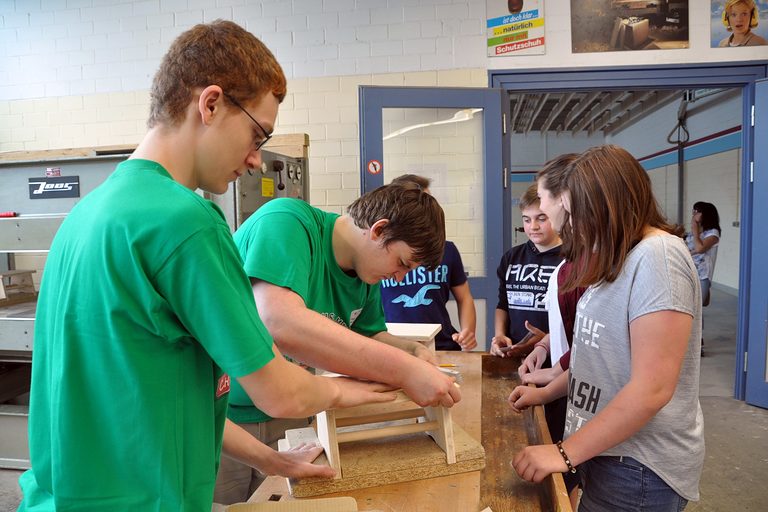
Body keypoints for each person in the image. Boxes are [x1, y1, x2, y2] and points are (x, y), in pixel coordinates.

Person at [18, 20, 398, 511]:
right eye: (257, 134)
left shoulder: (88, 214)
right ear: (211, 103)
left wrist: (274, 460)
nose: (257, 161)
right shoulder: (186, 221)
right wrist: (374, 385)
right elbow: (280, 394)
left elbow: (161, 396)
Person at [217, 182, 462, 503]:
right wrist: (405, 371)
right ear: (379, 230)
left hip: (291, 414)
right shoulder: (288, 222)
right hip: (223, 419)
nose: (400, 277)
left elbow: (369, 336)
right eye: (402, 263)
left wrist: (414, 352)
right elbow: (278, 321)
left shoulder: (366, 275)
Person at [509, 145, 704, 510]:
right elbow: (600, 359)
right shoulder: (619, 257)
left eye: (571, 214)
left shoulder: (658, 257)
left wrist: (563, 454)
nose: (568, 228)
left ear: (602, 207)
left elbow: (653, 388)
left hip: (638, 465)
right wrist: (548, 392)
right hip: (606, 451)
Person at [379, 174, 477, 352]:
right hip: (393, 346)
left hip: (440, 344)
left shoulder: (448, 250)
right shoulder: (379, 254)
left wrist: (467, 331)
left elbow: (465, 297)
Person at [490, 183, 562, 358]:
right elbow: (503, 305)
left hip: (555, 358)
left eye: (541, 218)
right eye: (527, 219)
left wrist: (546, 341)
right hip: (515, 354)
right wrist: (500, 334)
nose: (533, 226)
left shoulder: (572, 259)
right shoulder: (511, 258)